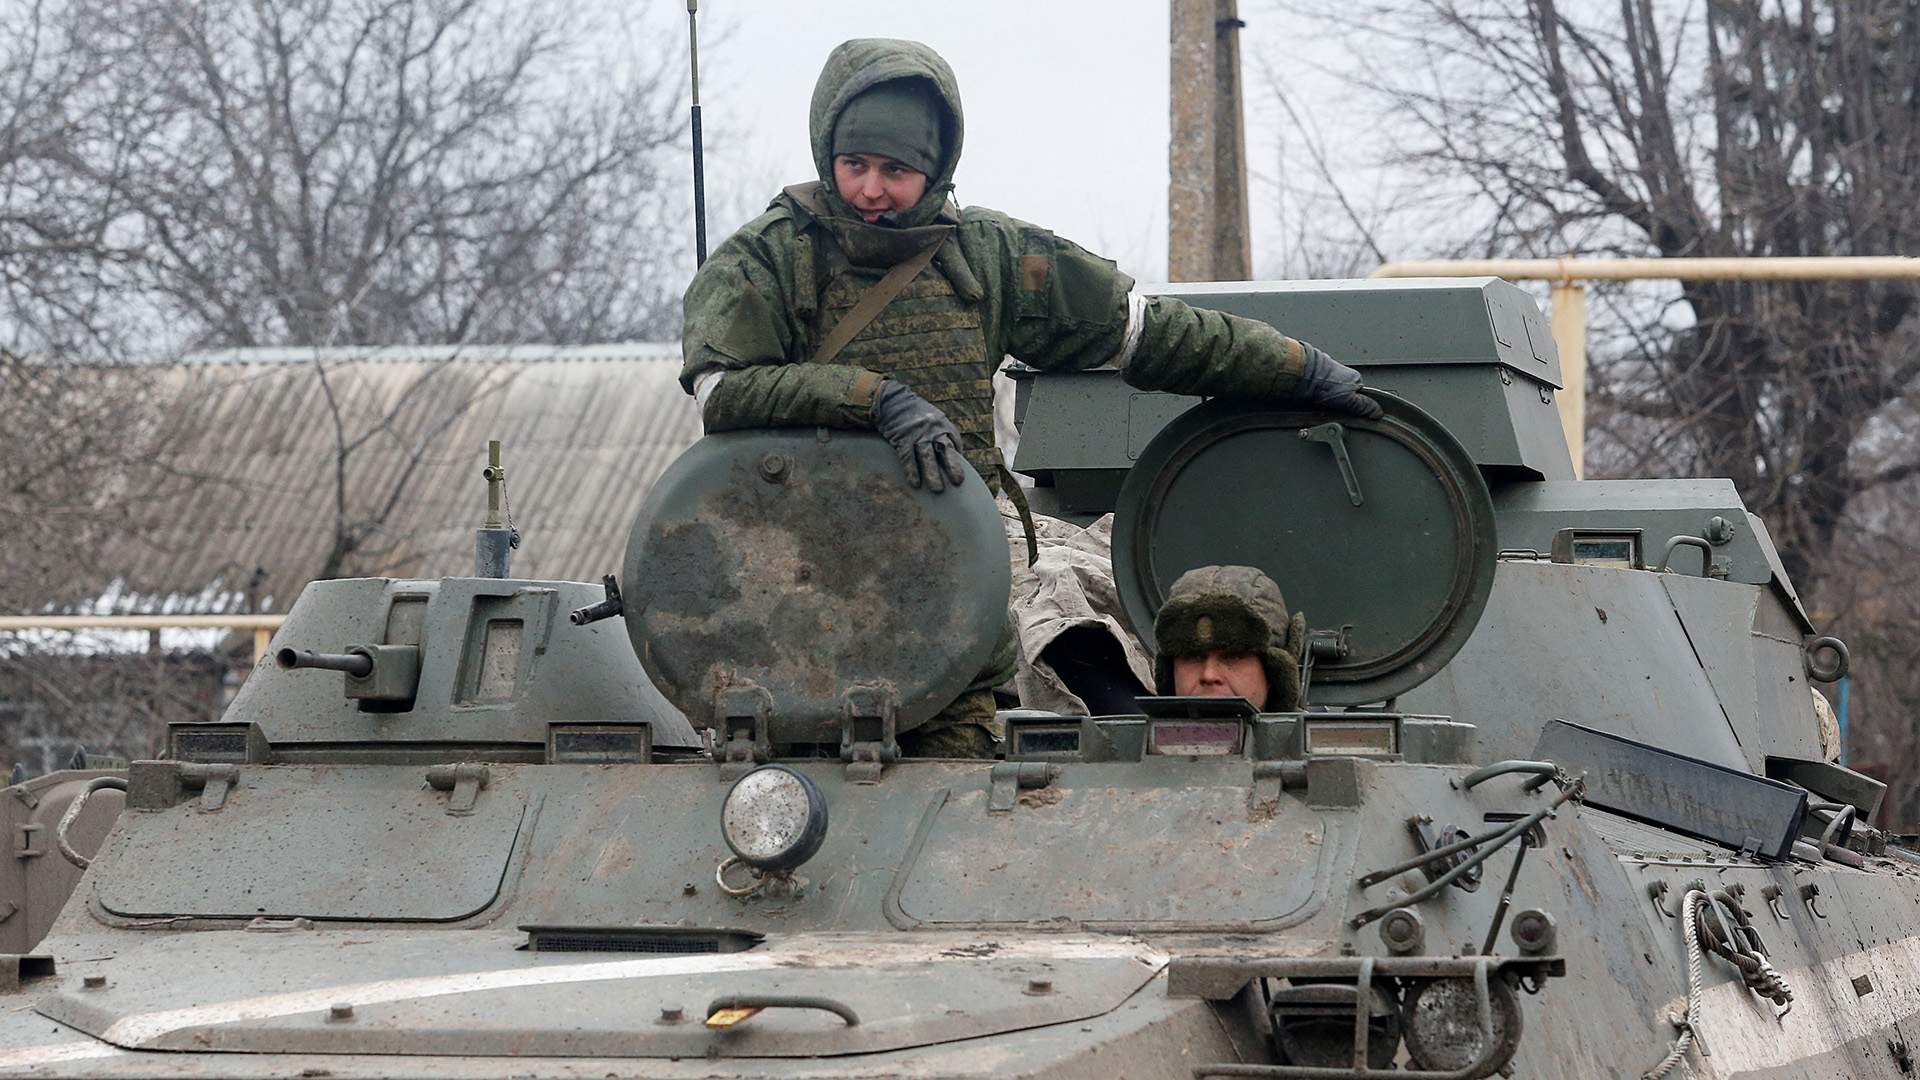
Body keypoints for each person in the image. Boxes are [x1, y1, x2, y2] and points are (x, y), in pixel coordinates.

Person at [680, 39, 1373, 754]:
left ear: (937, 165)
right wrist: (874, 398)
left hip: (946, 624)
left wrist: (1294, 369)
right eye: (854, 166)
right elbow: (724, 392)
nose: (871, 191)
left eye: (897, 170)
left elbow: (1142, 332)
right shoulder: (766, 258)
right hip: (794, 615)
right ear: (826, 149)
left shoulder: (987, 258)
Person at [1152, 565, 1306, 712]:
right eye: (1193, 657)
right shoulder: (1135, 738)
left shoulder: (1314, 739)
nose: (1209, 675)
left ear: (1272, 673)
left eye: (1233, 656)